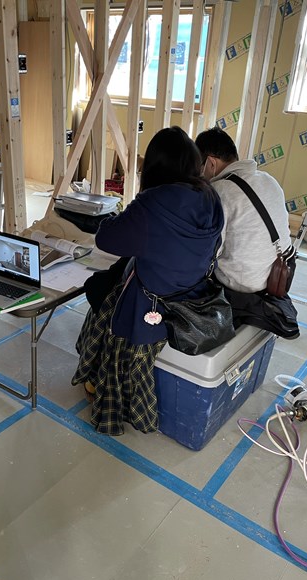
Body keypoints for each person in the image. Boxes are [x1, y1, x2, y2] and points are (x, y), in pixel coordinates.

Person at [72, 126, 224, 436]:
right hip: (193, 293)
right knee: (109, 282)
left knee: (104, 302)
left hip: (152, 302)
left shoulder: (152, 204)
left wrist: (118, 218)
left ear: (154, 167)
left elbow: (106, 239)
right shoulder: (210, 196)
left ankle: (101, 386)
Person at [195, 127, 299, 338]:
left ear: (211, 163)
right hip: (279, 275)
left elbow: (209, 251)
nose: (200, 173)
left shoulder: (220, 191)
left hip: (245, 284)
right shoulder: (269, 180)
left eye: (200, 167)